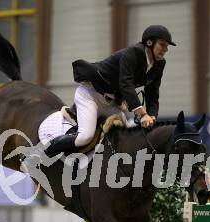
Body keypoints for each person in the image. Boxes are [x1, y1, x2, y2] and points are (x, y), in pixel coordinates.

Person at [45, 25, 176, 157]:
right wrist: (142, 114)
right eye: (162, 45)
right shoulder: (133, 53)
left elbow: (153, 92)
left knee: (128, 138)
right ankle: (42, 153)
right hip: (91, 95)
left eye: (167, 46)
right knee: (85, 137)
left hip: (112, 103)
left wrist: (152, 117)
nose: (165, 50)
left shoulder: (159, 64)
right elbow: (126, 84)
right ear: (149, 42)